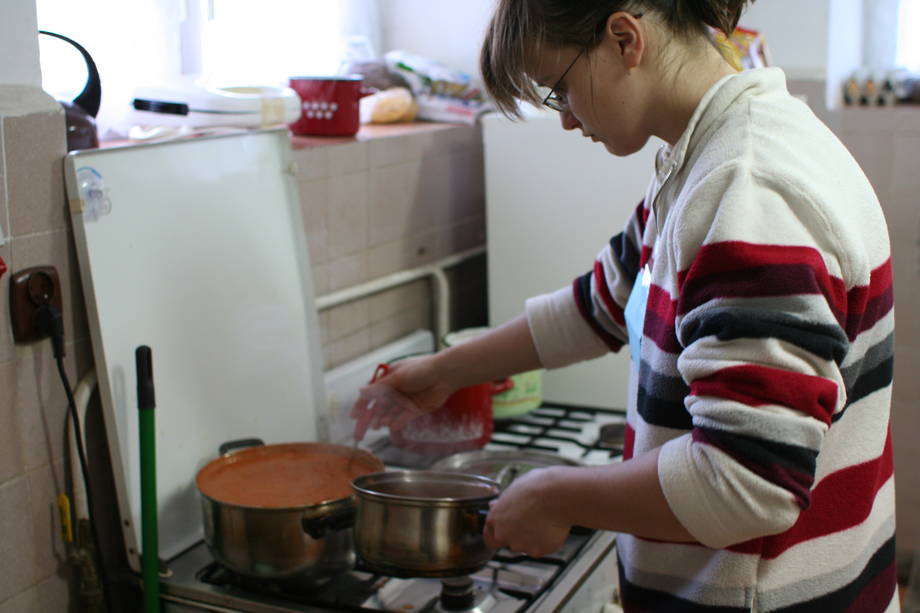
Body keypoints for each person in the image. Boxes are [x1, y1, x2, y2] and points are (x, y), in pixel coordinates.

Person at [352, 1, 898, 610]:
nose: (565, 119)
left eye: (559, 90)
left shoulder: (748, 188)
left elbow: (748, 480)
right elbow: (604, 303)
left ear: (623, 39)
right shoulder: (705, 154)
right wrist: (442, 372)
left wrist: (556, 495)